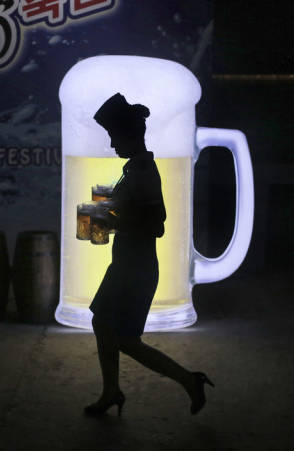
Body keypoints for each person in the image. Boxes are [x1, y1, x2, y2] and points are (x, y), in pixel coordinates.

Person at [84, 93, 214, 417]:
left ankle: (188, 380)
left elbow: (157, 224)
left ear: (130, 136)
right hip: (124, 266)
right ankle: (111, 391)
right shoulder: (133, 170)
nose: (113, 145)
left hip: (136, 269)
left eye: (115, 137)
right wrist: (108, 216)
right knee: (102, 322)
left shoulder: (143, 173)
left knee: (127, 340)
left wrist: (112, 219)